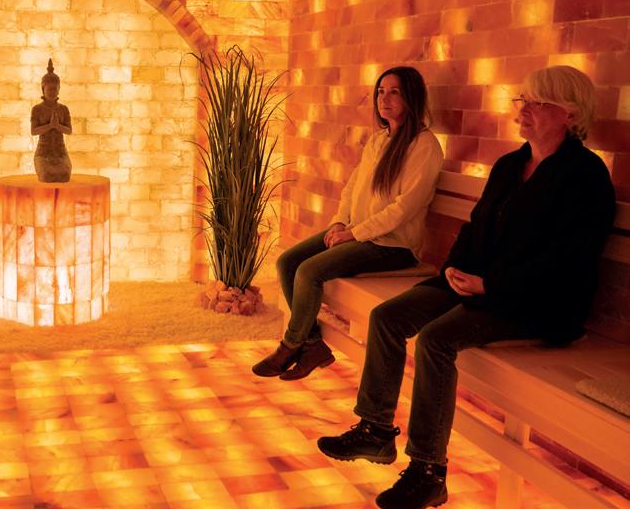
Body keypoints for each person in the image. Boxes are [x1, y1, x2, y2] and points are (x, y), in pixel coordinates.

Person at [316, 65, 615, 509]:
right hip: (477, 283)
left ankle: (428, 472)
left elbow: (566, 259)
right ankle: (376, 431)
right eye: (522, 100)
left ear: (570, 115)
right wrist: (456, 267)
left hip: (535, 301)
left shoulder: (585, 176)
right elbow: (475, 229)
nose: (523, 110)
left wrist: (489, 283)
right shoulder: (511, 165)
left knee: (436, 340)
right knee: (388, 317)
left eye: (537, 103)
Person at [253, 67, 444, 380]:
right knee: (288, 261)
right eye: (381, 91)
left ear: (411, 97)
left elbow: (404, 209)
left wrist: (355, 233)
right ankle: (312, 344)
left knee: (309, 272)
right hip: (360, 233)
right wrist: (339, 223)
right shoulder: (379, 140)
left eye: (394, 92)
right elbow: (352, 188)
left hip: (392, 245)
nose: (384, 98)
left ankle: (291, 344)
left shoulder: (424, 146)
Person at [30, 58, 73, 182]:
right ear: (43, 89)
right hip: (43, 153)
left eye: (55, 89)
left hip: (60, 152)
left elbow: (69, 131)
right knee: (47, 176)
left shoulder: (63, 109)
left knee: (64, 175)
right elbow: (34, 131)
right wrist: (50, 125)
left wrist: (58, 126)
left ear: (59, 89)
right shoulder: (37, 109)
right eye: (50, 89)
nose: (52, 92)